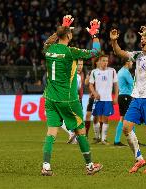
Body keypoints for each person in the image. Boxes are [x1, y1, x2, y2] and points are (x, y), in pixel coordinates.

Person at [41, 15, 103, 176]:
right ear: (68, 36)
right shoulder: (71, 52)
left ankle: (46, 166)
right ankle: (90, 166)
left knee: (51, 132)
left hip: (50, 98)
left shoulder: (49, 49)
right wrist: (94, 35)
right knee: (80, 131)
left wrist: (62, 27)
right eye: (69, 33)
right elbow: (96, 51)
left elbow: (47, 42)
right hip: (68, 99)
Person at [110, 26, 146, 174]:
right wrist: (114, 42)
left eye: (145, 39)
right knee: (126, 128)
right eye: (142, 39)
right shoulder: (137, 55)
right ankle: (139, 158)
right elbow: (119, 52)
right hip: (136, 98)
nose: (143, 40)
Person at [89, 55, 119, 145]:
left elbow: (116, 85)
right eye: (103, 61)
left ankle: (104, 139)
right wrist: (94, 93)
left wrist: (116, 97)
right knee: (95, 118)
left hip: (108, 99)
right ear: (99, 62)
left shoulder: (112, 71)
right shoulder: (94, 72)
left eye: (106, 61)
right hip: (98, 100)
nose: (105, 62)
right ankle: (97, 137)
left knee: (106, 118)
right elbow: (90, 85)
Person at [62, 59, 84, 144]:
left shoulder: (78, 76)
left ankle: (73, 134)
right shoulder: (71, 75)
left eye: (81, 65)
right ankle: (75, 135)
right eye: (78, 64)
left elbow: (78, 89)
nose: (80, 66)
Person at [114, 58, 133, 146]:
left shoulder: (120, 71)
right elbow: (132, 83)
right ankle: (133, 140)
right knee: (131, 118)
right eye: (131, 61)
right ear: (127, 62)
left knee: (123, 118)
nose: (132, 63)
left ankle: (117, 140)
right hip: (126, 96)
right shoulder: (125, 72)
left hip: (122, 96)